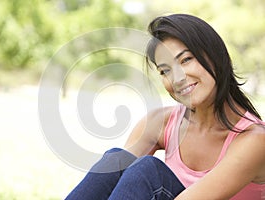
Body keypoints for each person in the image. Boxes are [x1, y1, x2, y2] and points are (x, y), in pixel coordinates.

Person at [65, 14, 265, 199]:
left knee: (148, 171)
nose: (176, 78)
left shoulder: (254, 140)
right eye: (165, 71)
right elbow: (114, 181)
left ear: (216, 56)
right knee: (117, 160)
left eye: (186, 60)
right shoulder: (162, 122)